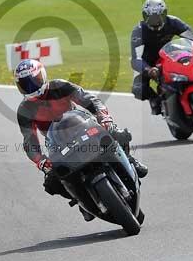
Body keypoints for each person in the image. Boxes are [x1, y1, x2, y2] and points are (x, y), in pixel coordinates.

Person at [15, 58, 147, 221]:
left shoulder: (60, 85)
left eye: (33, 81)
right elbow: (29, 141)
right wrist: (41, 161)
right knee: (52, 182)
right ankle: (79, 199)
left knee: (117, 133)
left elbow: (90, 100)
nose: (30, 87)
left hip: (81, 126)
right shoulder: (24, 109)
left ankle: (130, 160)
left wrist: (104, 118)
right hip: (57, 143)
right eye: (25, 85)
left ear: (42, 76)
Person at [130, 0, 193, 115]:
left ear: (164, 14)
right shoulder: (138, 31)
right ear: (144, 16)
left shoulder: (173, 22)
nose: (155, 21)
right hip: (149, 62)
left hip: (171, 54)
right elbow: (136, 59)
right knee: (138, 88)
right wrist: (148, 70)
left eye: (158, 16)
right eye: (151, 17)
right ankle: (155, 100)